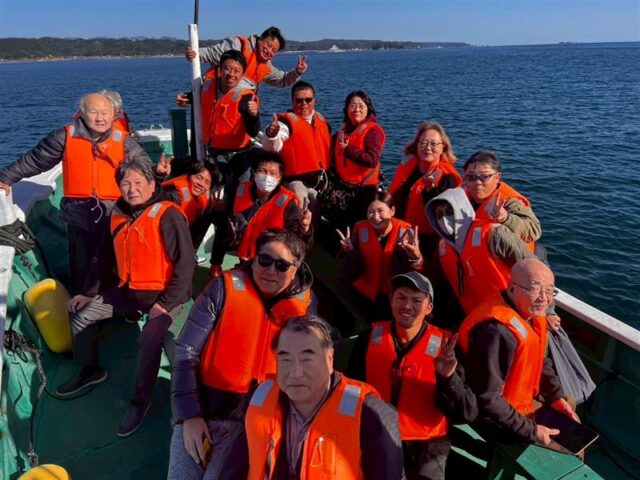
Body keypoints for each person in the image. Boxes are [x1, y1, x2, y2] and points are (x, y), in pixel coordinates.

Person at [55, 157, 195, 438]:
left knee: (148, 341)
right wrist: (87, 292)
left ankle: (140, 402)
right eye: (125, 183)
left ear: (152, 184)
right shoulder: (118, 212)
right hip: (130, 292)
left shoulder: (168, 215)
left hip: (166, 296)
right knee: (81, 314)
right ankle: (89, 369)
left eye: (139, 183)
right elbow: (102, 256)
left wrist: (164, 305)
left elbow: (186, 264)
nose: (132, 189)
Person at [167, 230, 316, 479]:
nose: (271, 270)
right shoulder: (222, 288)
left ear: (296, 269)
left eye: (281, 265)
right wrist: (189, 415)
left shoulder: (306, 307)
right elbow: (186, 350)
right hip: (203, 408)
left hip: (253, 425)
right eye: (265, 260)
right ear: (253, 259)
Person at [218, 315, 405, 479]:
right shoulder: (257, 398)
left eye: (307, 359)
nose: (295, 373)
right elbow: (231, 468)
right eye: (285, 360)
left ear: (329, 359)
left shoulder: (371, 413)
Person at [0, 91, 151, 293]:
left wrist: (158, 173)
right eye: (94, 112)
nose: (100, 118)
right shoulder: (64, 136)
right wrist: (5, 177)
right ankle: (83, 300)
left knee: (118, 259)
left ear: (114, 114)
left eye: (104, 113)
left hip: (116, 211)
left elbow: (143, 168)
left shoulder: (124, 141)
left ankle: (117, 299)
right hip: (79, 213)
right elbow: (35, 161)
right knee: (83, 263)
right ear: (82, 113)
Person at [347, 272, 477, 480]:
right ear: (391, 300)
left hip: (426, 449)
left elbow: (467, 412)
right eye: (401, 298)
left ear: (429, 308)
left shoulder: (447, 349)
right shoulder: (368, 339)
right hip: (376, 439)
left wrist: (448, 378)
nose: (407, 306)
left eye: (416, 300)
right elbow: (350, 391)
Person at [458, 258, 578, 445]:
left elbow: (539, 358)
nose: (544, 298)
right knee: (567, 448)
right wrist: (530, 430)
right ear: (512, 288)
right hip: (494, 417)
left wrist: (555, 396)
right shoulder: (495, 332)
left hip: (522, 401)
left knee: (569, 403)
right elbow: (486, 398)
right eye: (535, 289)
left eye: (549, 291)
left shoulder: (532, 315)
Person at [425, 188, 534, 318]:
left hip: (509, 314)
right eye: (439, 215)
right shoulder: (443, 247)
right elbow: (433, 278)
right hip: (474, 316)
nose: (444, 219)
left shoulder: (493, 234)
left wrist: (549, 310)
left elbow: (534, 269)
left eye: (449, 212)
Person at [209, 151, 312, 277]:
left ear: (279, 178)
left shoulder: (289, 202)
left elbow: (301, 242)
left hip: (270, 265)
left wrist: (305, 228)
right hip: (243, 258)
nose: (267, 176)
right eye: (262, 171)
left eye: (273, 173)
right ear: (254, 173)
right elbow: (224, 228)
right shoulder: (239, 191)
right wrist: (216, 262)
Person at [177, 50, 261, 186]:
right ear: (220, 69)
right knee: (213, 190)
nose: (231, 74)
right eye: (227, 68)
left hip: (239, 155)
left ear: (242, 74)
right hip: (213, 153)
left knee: (240, 193)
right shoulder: (207, 86)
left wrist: (254, 115)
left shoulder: (246, 97)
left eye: (236, 71)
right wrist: (184, 98)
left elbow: (254, 131)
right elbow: (196, 97)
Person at [337, 191, 422, 321]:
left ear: (392, 211)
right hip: (364, 294)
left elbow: (416, 274)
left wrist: (416, 257)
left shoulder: (405, 233)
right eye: (371, 211)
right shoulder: (361, 229)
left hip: (392, 297)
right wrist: (349, 251)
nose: (375, 217)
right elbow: (349, 268)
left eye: (381, 211)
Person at [389, 122, 462, 263]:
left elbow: (444, 215)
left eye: (433, 144)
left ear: (442, 147)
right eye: (423, 143)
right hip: (400, 228)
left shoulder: (448, 177)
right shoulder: (410, 166)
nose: (427, 148)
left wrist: (431, 190)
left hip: (427, 239)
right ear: (417, 145)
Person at [322, 90, 386, 232]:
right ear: (346, 109)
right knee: (339, 228)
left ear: (368, 109)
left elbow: (372, 160)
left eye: (361, 106)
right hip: (342, 188)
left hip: (364, 191)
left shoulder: (373, 132)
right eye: (352, 105)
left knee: (360, 229)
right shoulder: (344, 131)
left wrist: (348, 150)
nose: (356, 109)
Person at [261, 80, 331, 197]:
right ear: (292, 101)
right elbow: (271, 147)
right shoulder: (285, 124)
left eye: (308, 100)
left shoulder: (322, 121)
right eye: (299, 100)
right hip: (297, 181)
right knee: (299, 191)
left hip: (323, 180)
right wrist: (271, 134)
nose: (304, 103)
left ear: (314, 100)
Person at [463, 150, 541, 248]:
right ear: (465, 177)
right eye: (471, 177)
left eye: (485, 177)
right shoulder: (461, 197)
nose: (477, 182)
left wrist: (506, 218)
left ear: (497, 177)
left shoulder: (509, 201)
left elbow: (533, 230)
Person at [185, 26, 307, 89]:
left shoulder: (266, 67)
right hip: (212, 96)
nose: (269, 51)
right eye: (269, 45)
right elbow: (211, 54)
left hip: (236, 110)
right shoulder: (239, 45)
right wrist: (195, 54)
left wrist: (297, 72)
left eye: (274, 50)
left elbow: (283, 80)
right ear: (260, 39)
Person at [162, 161, 223, 249]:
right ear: (188, 175)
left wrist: (218, 211)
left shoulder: (203, 199)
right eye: (198, 177)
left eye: (207, 182)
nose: (201, 184)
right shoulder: (173, 197)